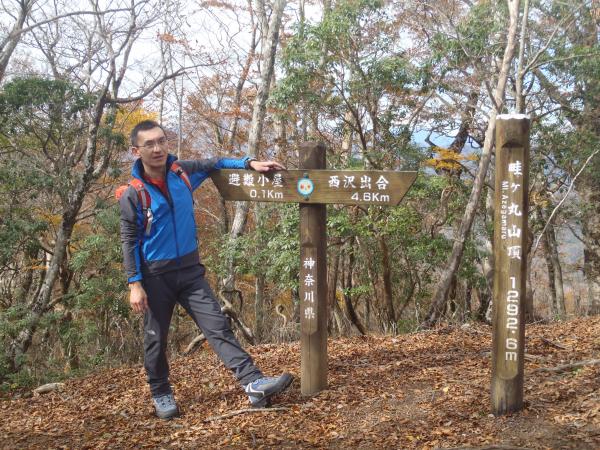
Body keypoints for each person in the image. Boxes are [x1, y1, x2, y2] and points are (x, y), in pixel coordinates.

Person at [118, 120, 292, 420]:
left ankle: (252, 383)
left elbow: (216, 162)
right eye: (149, 144)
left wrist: (250, 163)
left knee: (217, 326)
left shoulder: (181, 172)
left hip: (189, 270)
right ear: (136, 151)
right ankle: (160, 392)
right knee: (155, 338)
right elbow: (129, 239)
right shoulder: (133, 193)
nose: (158, 148)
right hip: (155, 276)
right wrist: (135, 283)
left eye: (162, 141)